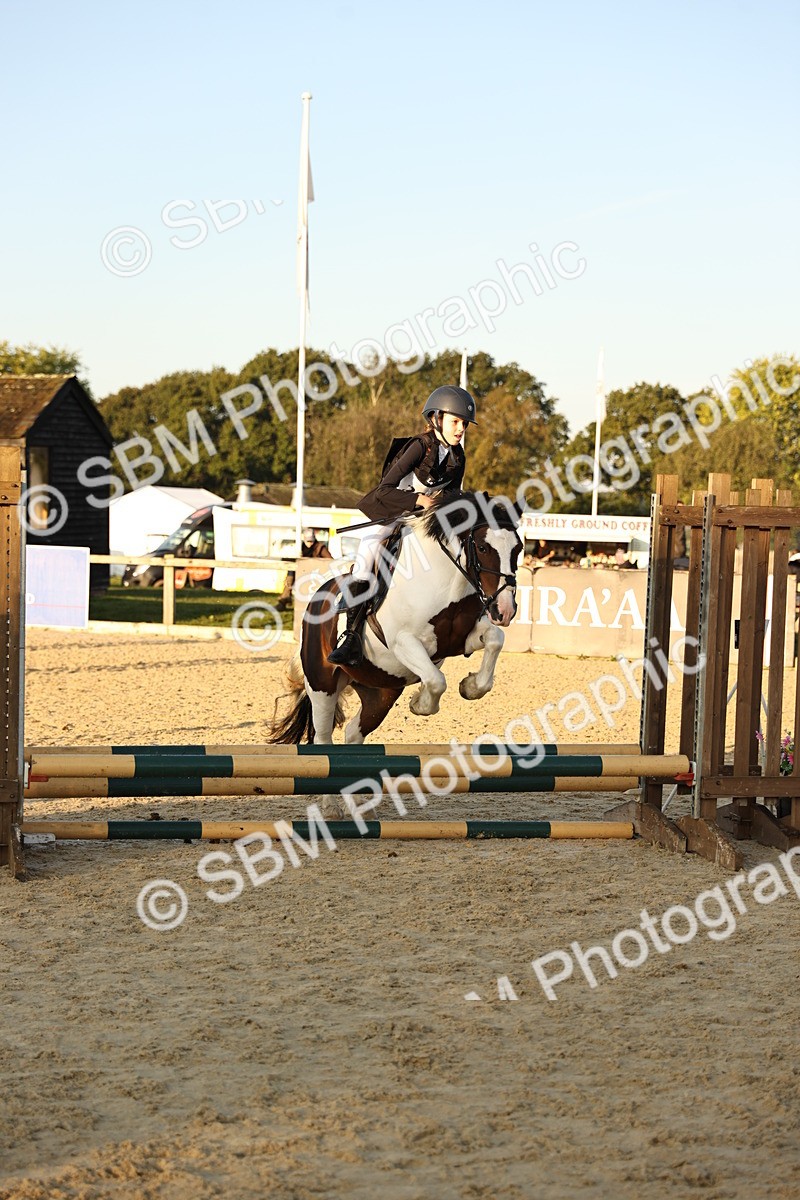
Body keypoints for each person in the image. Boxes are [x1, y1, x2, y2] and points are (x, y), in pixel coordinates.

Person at [327, 384, 477, 666]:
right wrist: (420, 499)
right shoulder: (419, 446)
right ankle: (350, 638)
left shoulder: (458, 458)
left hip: (423, 521)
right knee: (368, 550)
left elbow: (453, 497)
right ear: (437, 418)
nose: (461, 429)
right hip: (391, 511)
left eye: (464, 424)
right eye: (456, 422)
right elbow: (384, 489)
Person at [276, 529, 332, 612]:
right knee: (291, 573)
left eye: (311, 541)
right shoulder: (300, 547)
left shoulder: (320, 547)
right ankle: (284, 599)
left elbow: (330, 561)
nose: (310, 543)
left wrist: (316, 562)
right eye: (308, 541)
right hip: (302, 572)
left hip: (316, 573)